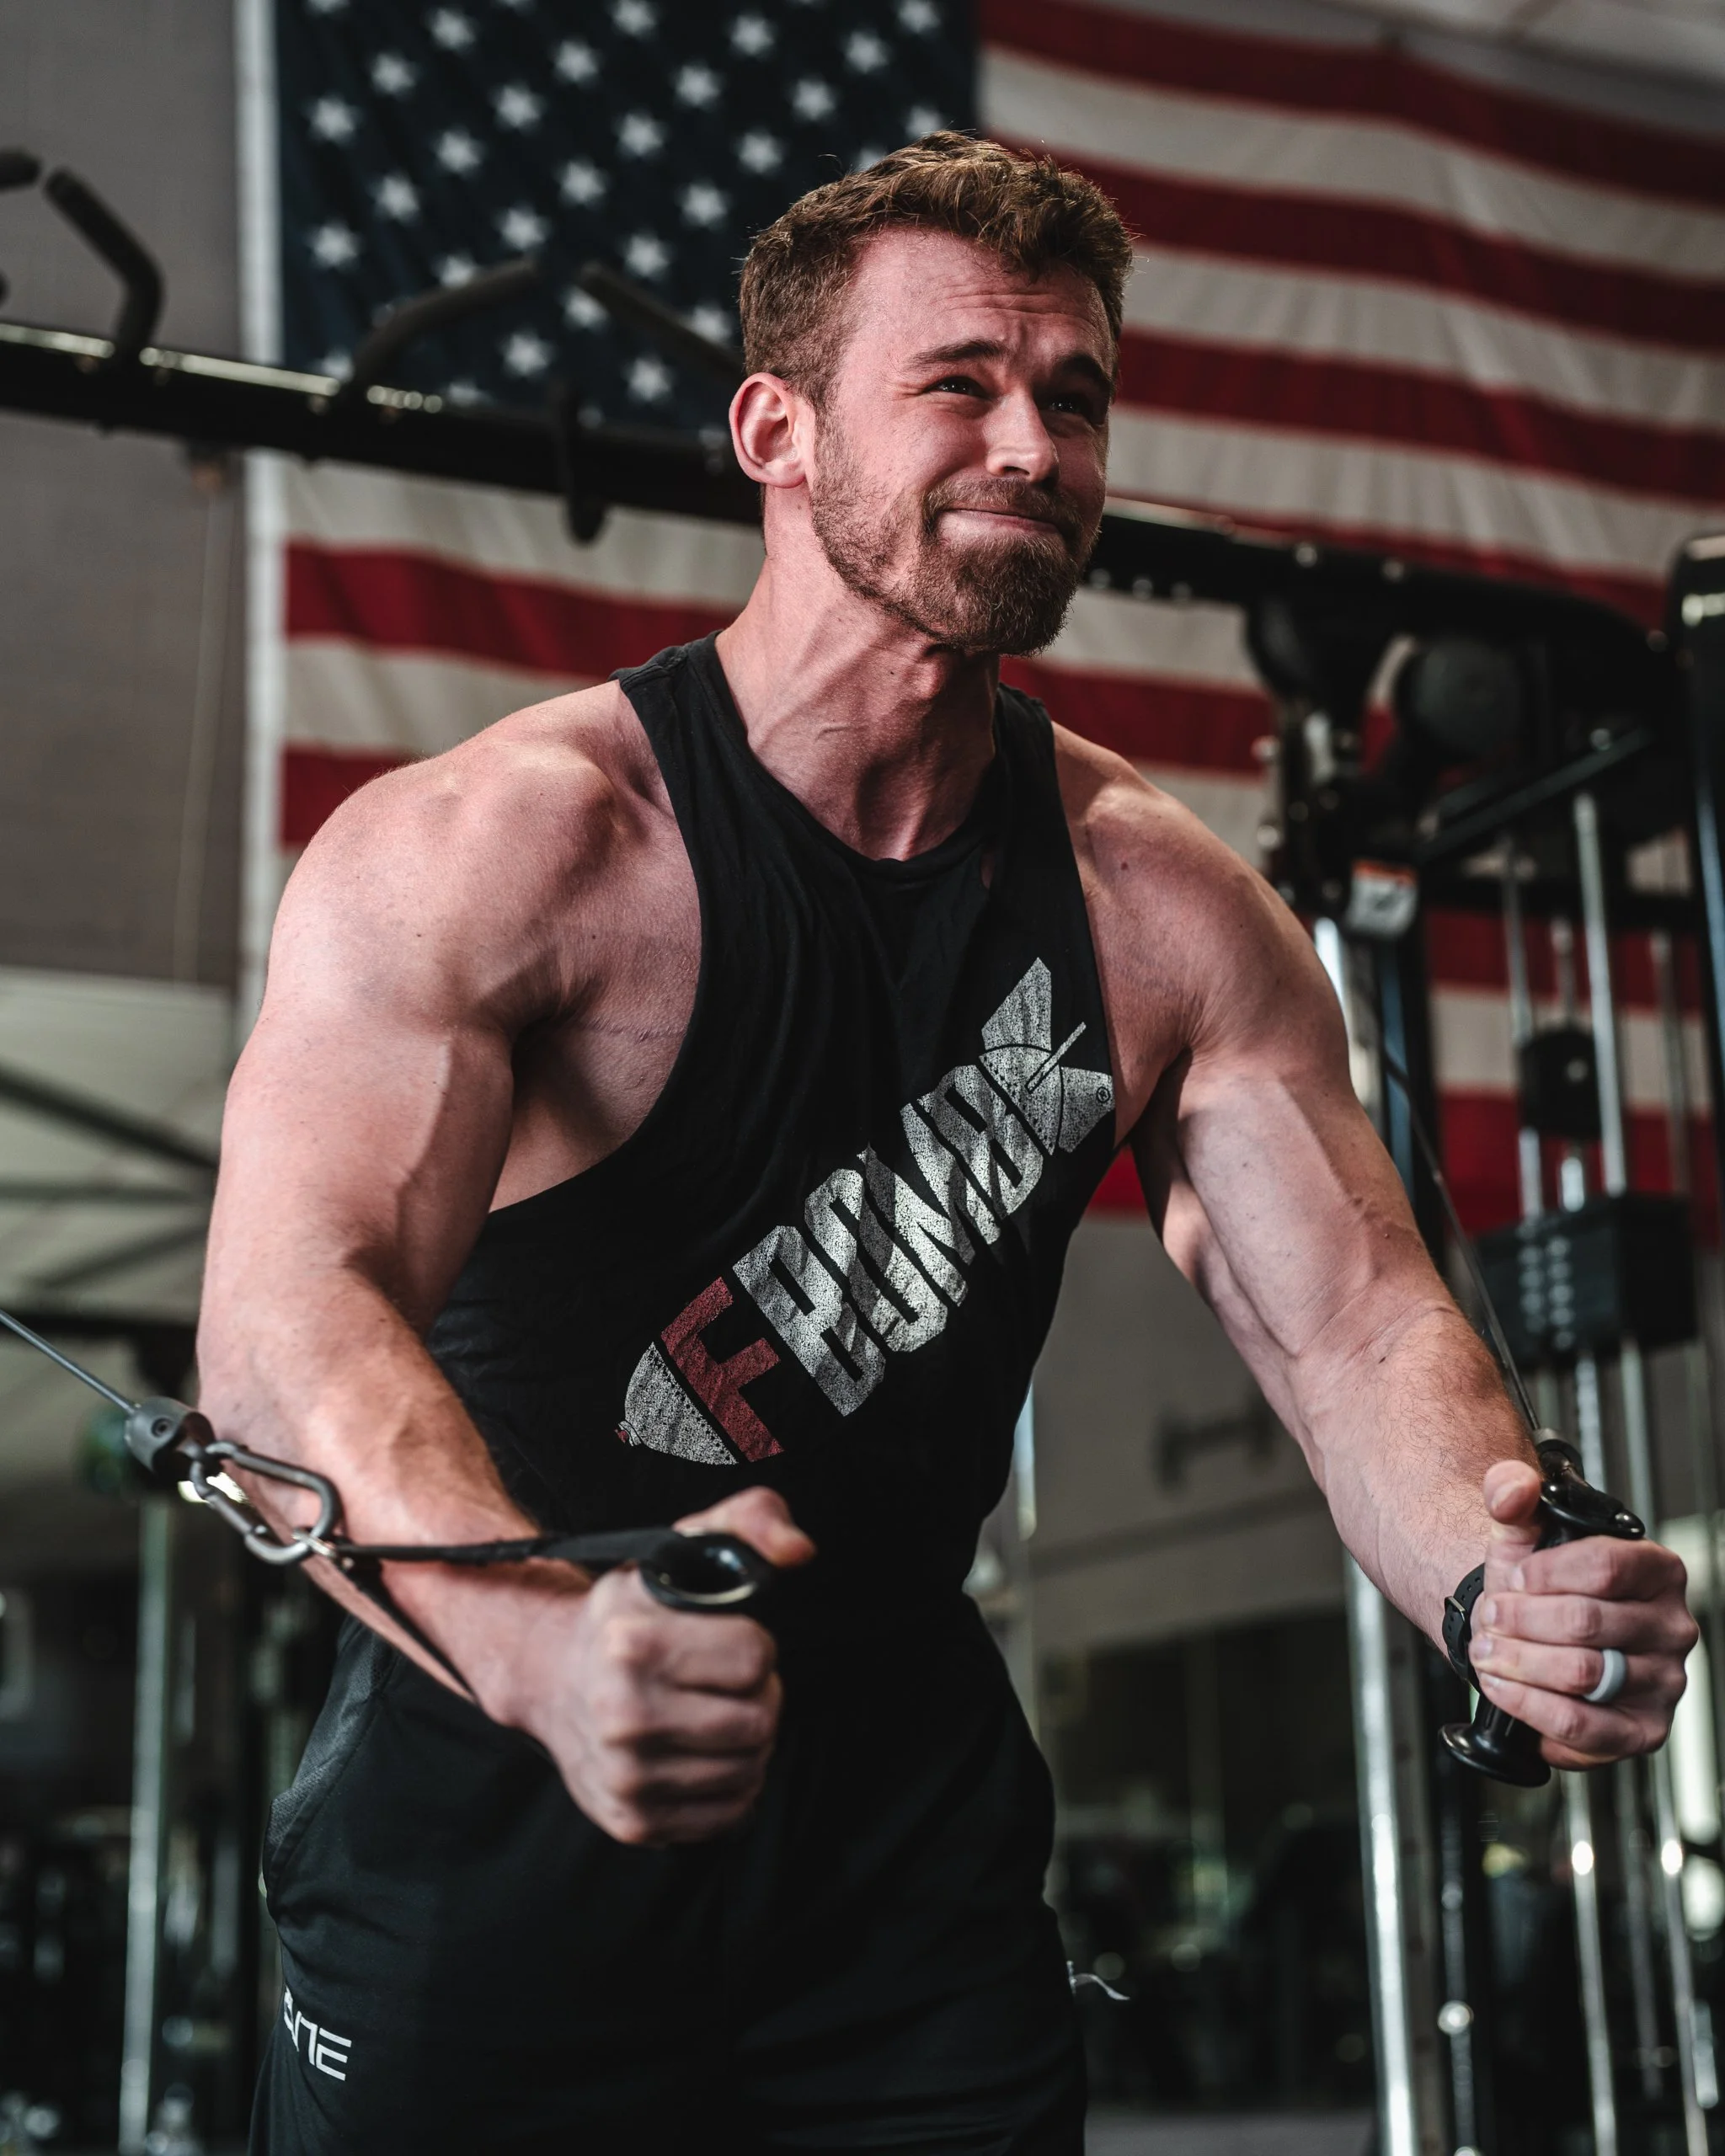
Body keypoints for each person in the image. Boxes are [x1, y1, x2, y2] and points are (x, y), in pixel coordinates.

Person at [205, 136, 1696, 2154]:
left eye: (1075, 396)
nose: (1034, 441)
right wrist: (539, 1643)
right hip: (495, 1796)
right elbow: (294, 1315)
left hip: (902, 1868)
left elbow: (1345, 1321)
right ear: (774, 427)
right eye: (960, 384)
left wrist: (1490, 1589)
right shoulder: (504, 845)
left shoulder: (1165, 910)